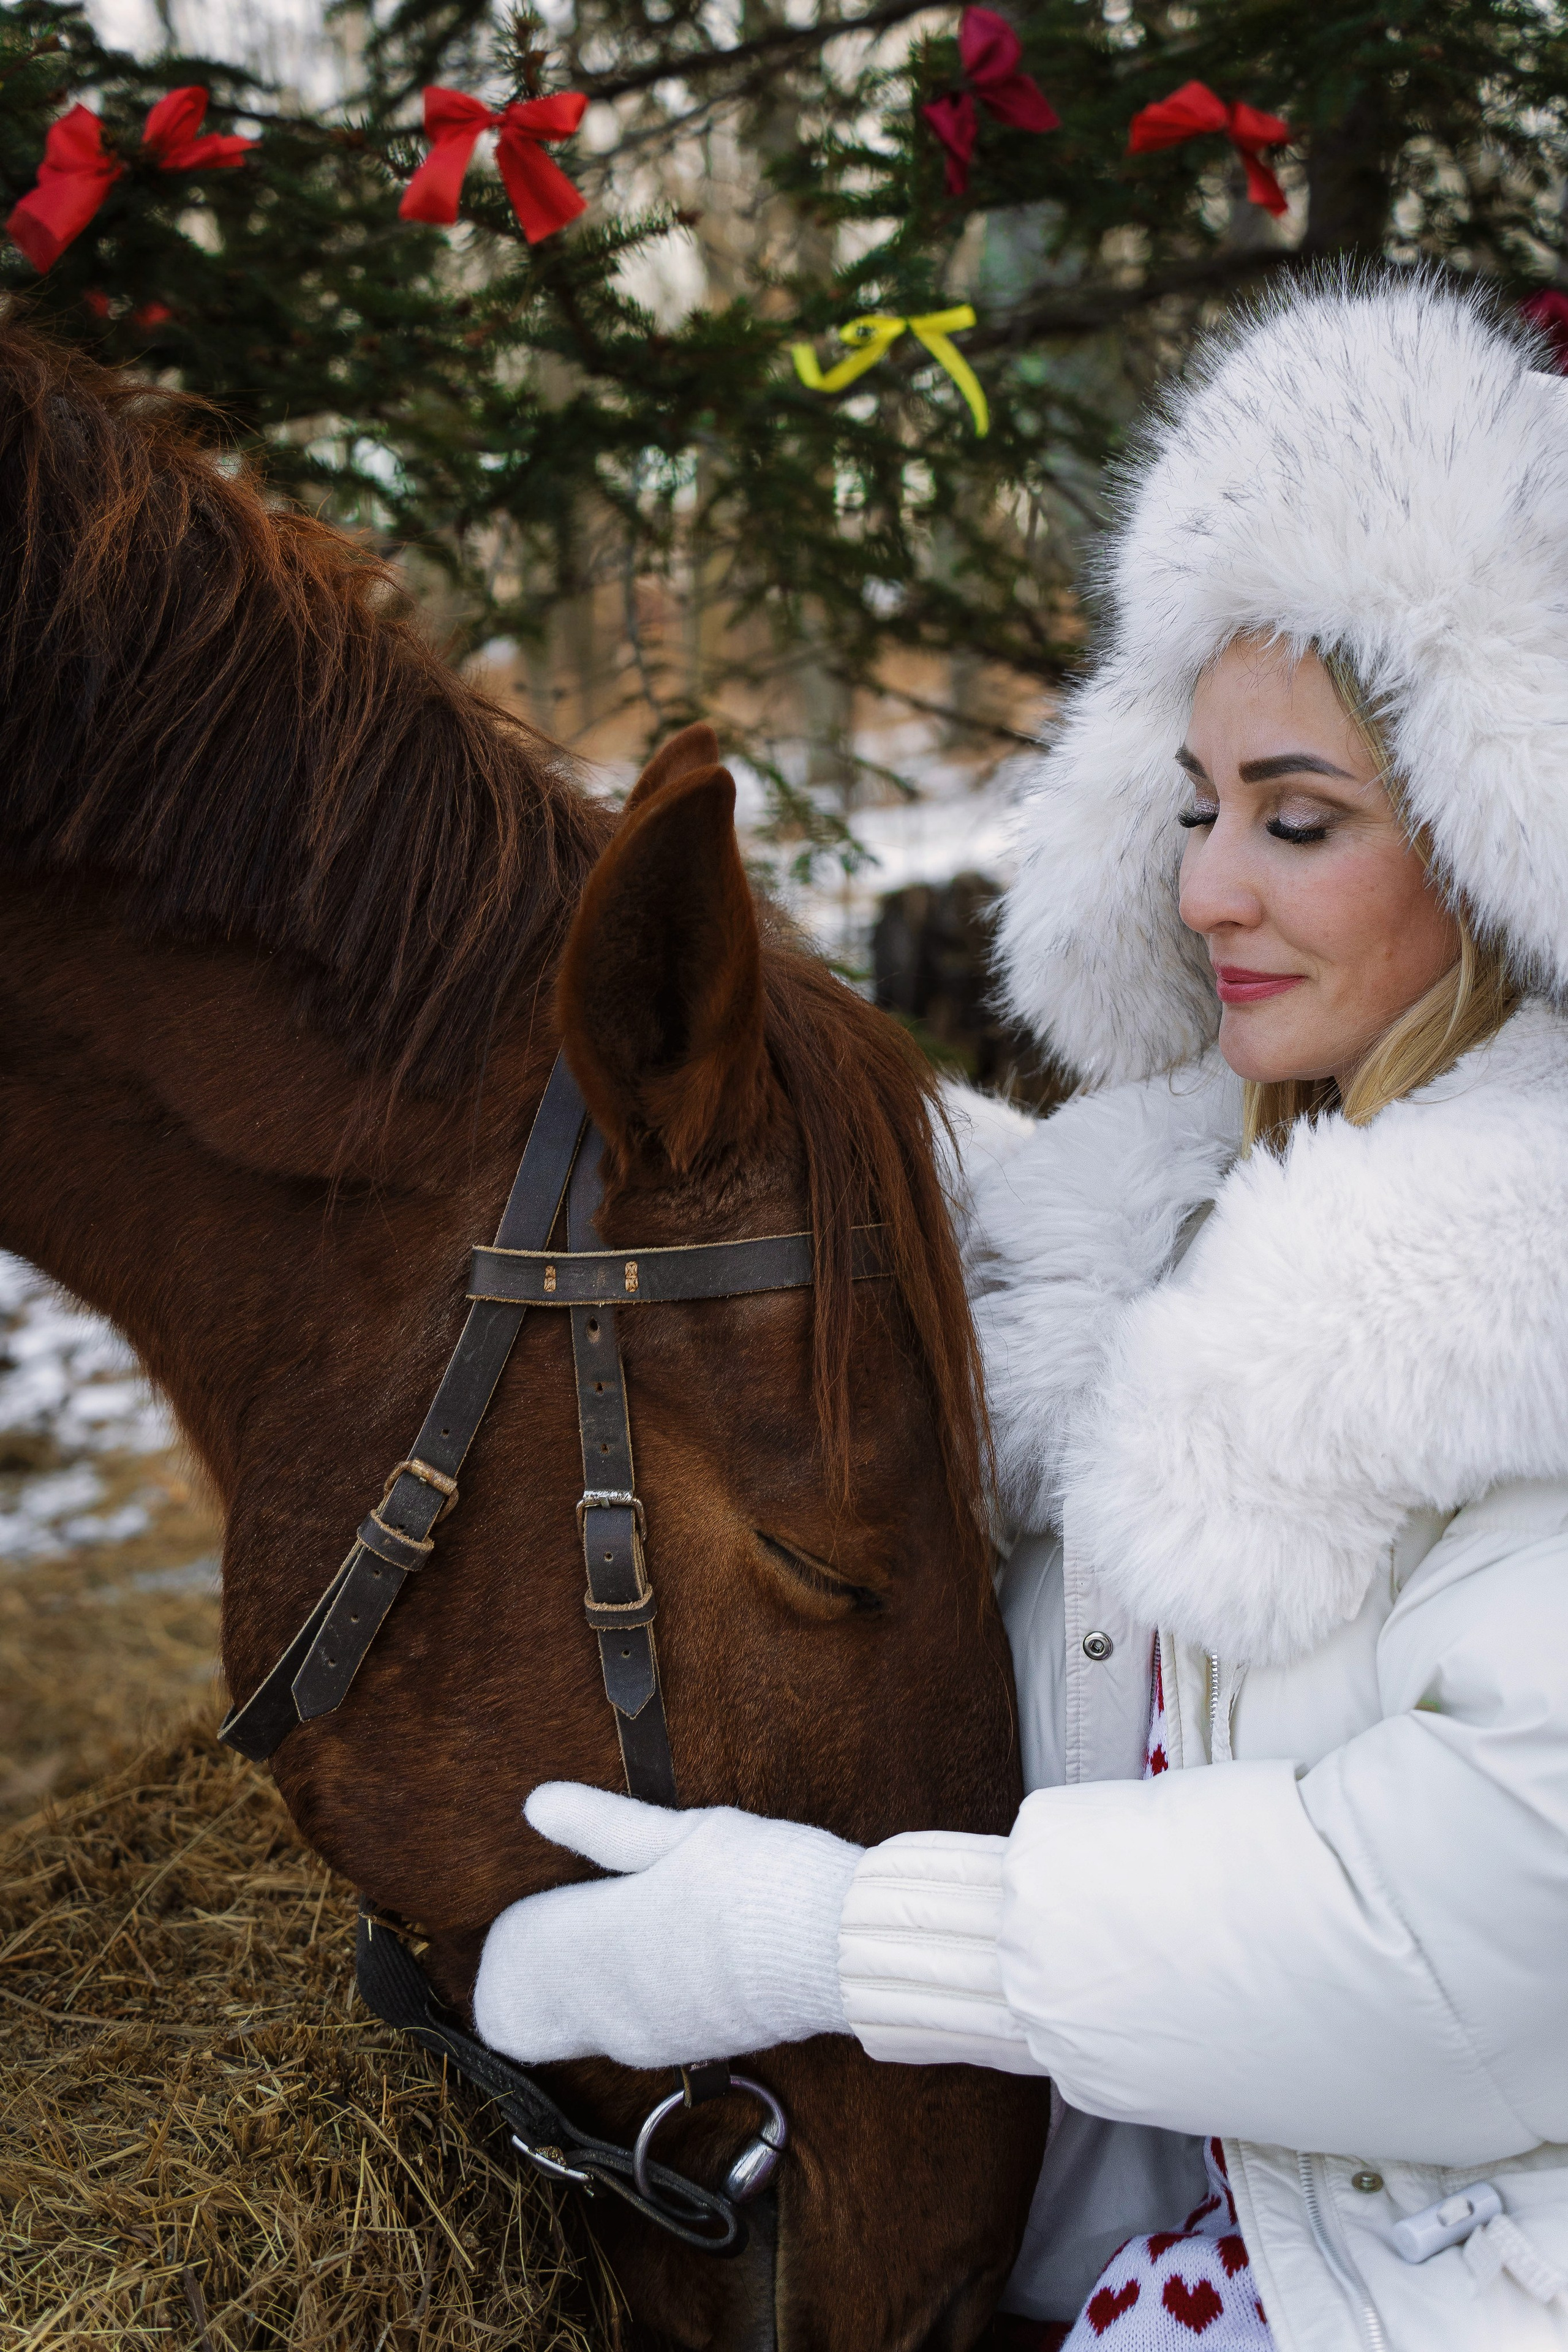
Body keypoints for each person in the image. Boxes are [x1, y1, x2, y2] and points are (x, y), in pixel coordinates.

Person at [471, 275, 1568, 2350]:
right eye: (1196, 805)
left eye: (1300, 821)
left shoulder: (1521, 1321)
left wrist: (837, 1939)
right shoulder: (1162, 1210)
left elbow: (1467, 1935)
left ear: (1505, 845)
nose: (1209, 887)